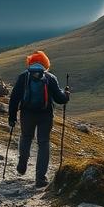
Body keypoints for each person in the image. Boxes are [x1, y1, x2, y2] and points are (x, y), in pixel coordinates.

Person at [8, 50, 70, 187]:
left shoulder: (23, 77)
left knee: (25, 137)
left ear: (30, 62)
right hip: (45, 115)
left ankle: (22, 163)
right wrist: (66, 94)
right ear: (46, 64)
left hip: (26, 114)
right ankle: (40, 178)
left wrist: (12, 117)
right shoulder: (50, 78)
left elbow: (14, 99)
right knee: (43, 143)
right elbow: (60, 99)